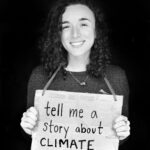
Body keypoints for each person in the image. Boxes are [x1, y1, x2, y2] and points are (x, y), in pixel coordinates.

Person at [20, 0, 130, 147]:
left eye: (83, 24)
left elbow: (116, 140)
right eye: (66, 26)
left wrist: (122, 132)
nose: (75, 34)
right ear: (58, 34)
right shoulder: (39, 76)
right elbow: (36, 137)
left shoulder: (117, 77)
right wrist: (27, 127)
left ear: (96, 31)